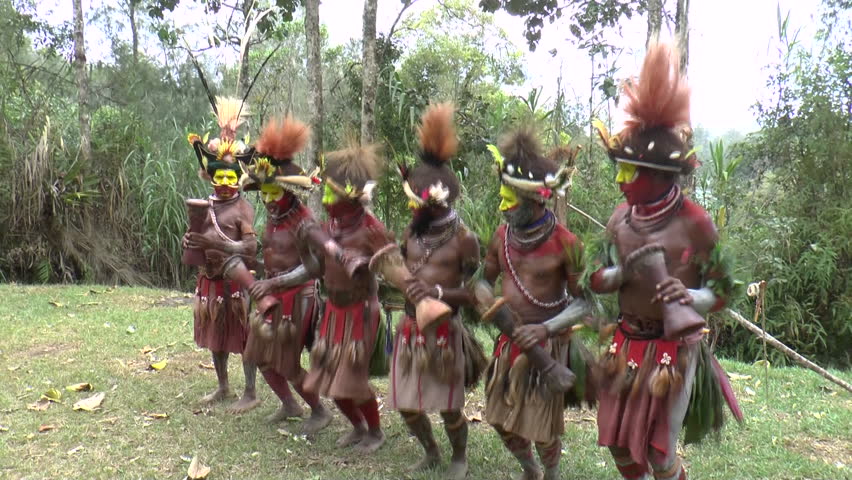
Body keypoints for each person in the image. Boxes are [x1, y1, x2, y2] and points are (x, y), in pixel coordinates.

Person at [591, 42, 743, 480]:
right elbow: (595, 279)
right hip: (626, 343)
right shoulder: (619, 219)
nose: (619, 182)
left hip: (675, 351)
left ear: (657, 173)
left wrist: (690, 294)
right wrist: (623, 272)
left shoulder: (697, 223)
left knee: (659, 454)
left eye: (628, 172)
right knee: (620, 447)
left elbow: (721, 294)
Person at [483, 129, 593, 480]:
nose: (501, 206)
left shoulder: (566, 243)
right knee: (500, 421)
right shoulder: (501, 237)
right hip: (508, 345)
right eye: (501, 197)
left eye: (508, 200)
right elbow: (482, 280)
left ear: (536, 199)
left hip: (549, 346)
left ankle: (551, 472)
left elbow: (585, 303)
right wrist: (486, 299)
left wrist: (545, 328)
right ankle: (529, 468)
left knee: (544, 429)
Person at [390, 103, 484, 479]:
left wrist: (439, 292)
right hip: (411, 330)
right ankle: (430, 450)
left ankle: (458, 458)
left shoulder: (465, 239)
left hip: (446, 333)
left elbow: (476, 296)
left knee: (448, 407)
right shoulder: (412, 231)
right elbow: (399, 270)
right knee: (407, 406)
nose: (410, 206)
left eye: (415, 200)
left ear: (434, 201)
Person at [239, 116, 332, 433]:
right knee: (261, 356)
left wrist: (275, 281)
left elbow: (315, 267)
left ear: (289, 192)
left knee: (287, 363)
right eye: (263, 194)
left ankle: (319, 411)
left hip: (298, 297)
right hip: (271, 293)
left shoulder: (303, 220)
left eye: (273, 193)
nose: (267, 200)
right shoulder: (274, 216)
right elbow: (274, 255)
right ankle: (289, 405)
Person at [299, 141, 392, 454]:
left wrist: (365, 262)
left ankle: (376, 432)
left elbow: (390, 267)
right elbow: (314, 269)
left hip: (361, 311)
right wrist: (308, 246)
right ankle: (358, 427)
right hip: (334, 310)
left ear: (351, 197)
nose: (324, 199)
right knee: (328, 381)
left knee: (351, 379)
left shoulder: (372, 230)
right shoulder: (328, 227)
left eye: (331, 193)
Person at [184, 97, 260, 413]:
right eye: (220, 178)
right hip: (210, 281)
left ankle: (251, 392)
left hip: (236, 282)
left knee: (243, 336)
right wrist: (190, 243)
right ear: (211, 177)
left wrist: (224, 248)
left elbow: (252, 250)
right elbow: (196, 242)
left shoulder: (243, 208)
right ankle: (223, 386)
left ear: (239, 179)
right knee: (215, 334)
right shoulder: (204, 206)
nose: (226, 184)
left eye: (231, 178)